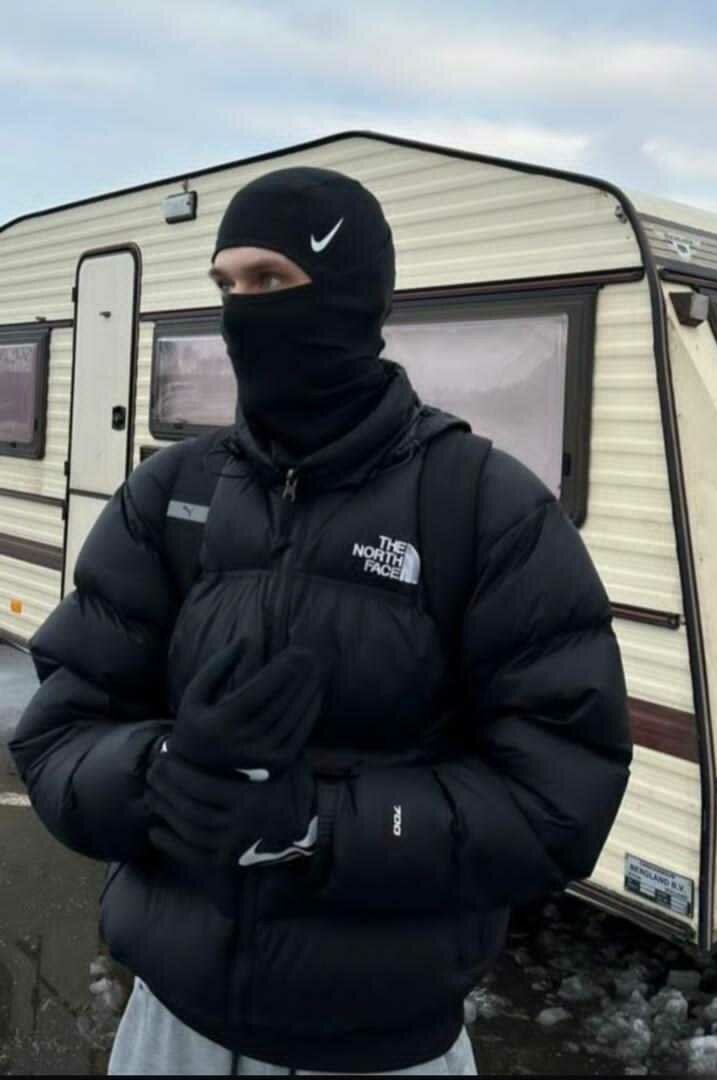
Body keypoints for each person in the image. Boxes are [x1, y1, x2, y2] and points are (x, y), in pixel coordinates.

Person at [10, 167, 633, 1076]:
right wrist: (159, 770)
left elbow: (560, 796)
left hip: (383, 1048)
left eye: (270, 279)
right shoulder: (171, 493)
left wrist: (317, 824)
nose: (242, 312)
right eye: (226, 284)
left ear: (353, 295)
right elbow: (57, 734)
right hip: (171, 1030)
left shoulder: (485, 508)